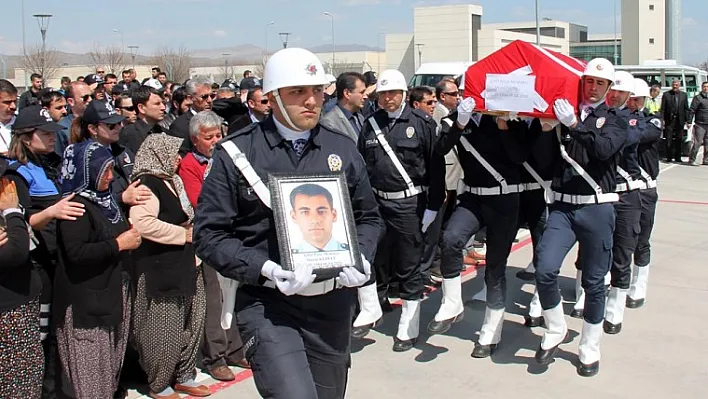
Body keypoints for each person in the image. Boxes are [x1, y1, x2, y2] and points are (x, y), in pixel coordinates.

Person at [194, 47, 383, 399]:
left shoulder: (341, 148)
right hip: (269, 305)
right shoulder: (237, 153)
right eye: (298, 92)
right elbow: (208, 235)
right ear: (272, 97)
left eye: (317, 91)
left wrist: (363, 258)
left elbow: (368, 217)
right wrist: (265, 268)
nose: (311, 101)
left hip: (333, 302)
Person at [533, 58, 627, 377]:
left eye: (600, 83)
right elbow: (543, 161)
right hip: (563, 206)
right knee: (545, 269)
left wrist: (575, 125)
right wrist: (546, 128)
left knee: (594, 281)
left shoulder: (615, 119)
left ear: (610, 89)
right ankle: (556, 328)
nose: (593, 87)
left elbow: (603, 151)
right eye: (589, 81)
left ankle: (589, 345)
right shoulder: (563, 114)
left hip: (596, 207)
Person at [429, 99, 529, 359]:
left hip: (504, 197)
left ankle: (491, 330)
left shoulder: (509, 117)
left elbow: (519, 157)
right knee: (451, 238)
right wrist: (460, 124)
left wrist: (505, 126)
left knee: (495, 266)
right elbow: (440, 148)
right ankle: (451, 302)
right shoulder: (454, 119)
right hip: (473, 196)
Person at [355, 69, 445, 352]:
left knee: (408, 264)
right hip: (377, 203)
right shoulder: (371, 124)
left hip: (409, 203)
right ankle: (370, 307)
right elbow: (362, 164)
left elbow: (436, 166)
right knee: (367, 254)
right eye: (383, 94)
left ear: (404, 94)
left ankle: (409, 321)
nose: (387, 98)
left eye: (392, 93)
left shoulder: (421, 122)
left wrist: (432, 207)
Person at [7, 105, 87, 397]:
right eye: (44, 134)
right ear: (27, 138)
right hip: (38, 265)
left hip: (61, 258)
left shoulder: (52, 163)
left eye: (53, 132)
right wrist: (53, 211)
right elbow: (21, 221)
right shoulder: (16, 174)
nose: (52, 138)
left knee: (58, 331)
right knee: (42, 334)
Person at [54, 141, 142, 398]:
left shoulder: (105, 201)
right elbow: (76, 253)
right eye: (104, 171)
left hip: (111, 296)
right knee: (91, 378)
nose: (111, 177)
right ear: (86, 173)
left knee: (109, 373)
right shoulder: (76, 207)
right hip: (86, 305)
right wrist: (118, 244)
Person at [129, 134, 208, 399]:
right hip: (161, 267)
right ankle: (159, 380)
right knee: (163, 326)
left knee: (192, 320)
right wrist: (182, 234)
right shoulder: (147, 184)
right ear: (159, 154)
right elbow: (142, 223)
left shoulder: (173, 181)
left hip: (187, 263)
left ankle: (184, 374)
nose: (177, 159)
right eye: (173, 153)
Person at [177, 111, 249, 382]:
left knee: (234, 294)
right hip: (210, 236)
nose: (216, 141)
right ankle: (215, 356)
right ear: (195, 140)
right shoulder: (190, 165)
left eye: (219, 135)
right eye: (209, 137)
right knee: (214, 299)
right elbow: (200, 200)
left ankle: (236, 348)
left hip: (234, 234)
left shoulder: (227, 159)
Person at [601, 71, 644, 335]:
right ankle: (587, 294)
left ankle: (615, 306)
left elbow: (627, 138)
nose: (614, 95)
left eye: (620, 92)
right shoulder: (596, 116)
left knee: (622, 251)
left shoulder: (634, 121)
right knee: (594, 249)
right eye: (611, 90)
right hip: (601, 193)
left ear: (629, 97)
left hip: (626, 194)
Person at [0, 161, 43, 398]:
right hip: (9, 312)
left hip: (20, 305)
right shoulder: (7, 210)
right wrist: (12, 211)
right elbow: (15, 252)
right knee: (18, 380)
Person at [627, 78, 663, 309]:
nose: (631, 103)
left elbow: (641, 135)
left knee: (642, 240)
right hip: (622, 188)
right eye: (628, 99)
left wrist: (625, 122)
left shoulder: (654, 121)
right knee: (617, 240)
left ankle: (639, 284)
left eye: (636, 100)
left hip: (645, 188)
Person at [289, 183, 349, 253]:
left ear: (334, 215)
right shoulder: (286, 259)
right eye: (305, 212)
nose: (314, 220)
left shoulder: (354, 254)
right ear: (294, 217)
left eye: (322, 211)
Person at [660, 79, 689, 162]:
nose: (675, 86)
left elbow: (686, 109)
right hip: (669, 120)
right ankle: (669, 157)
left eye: (676, 85)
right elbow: (663, 109)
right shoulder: (666, 95)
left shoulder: (684, 95)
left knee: (679, 139)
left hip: (680, 120)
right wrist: (662, 120)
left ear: (679, 86)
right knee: (668, 139)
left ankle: (678, 157)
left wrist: (688, 121)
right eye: (673, 85)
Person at [688, 81, 708, 165]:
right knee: (698, 142)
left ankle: (706, 160)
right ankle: (692, 159)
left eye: (707, 87)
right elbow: (692, 110)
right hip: (700, 123)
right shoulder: (698, 98)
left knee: (707, 143)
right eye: (704, 87)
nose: (706, 88)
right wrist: (689, 121)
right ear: (702, 87)